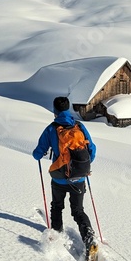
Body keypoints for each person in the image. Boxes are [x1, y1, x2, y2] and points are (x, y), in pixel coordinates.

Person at [32, 96, 97, 250]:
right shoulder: (79, 126)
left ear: (55, 110)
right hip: (79, 177)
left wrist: (38, 154)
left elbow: (37, 153)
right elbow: (91, 150)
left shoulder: (51, 128)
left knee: (56, 206)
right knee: (78, 211)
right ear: (68, 108)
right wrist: (80, 166)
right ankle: (90, 239)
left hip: (59, 178)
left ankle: (56, 235)